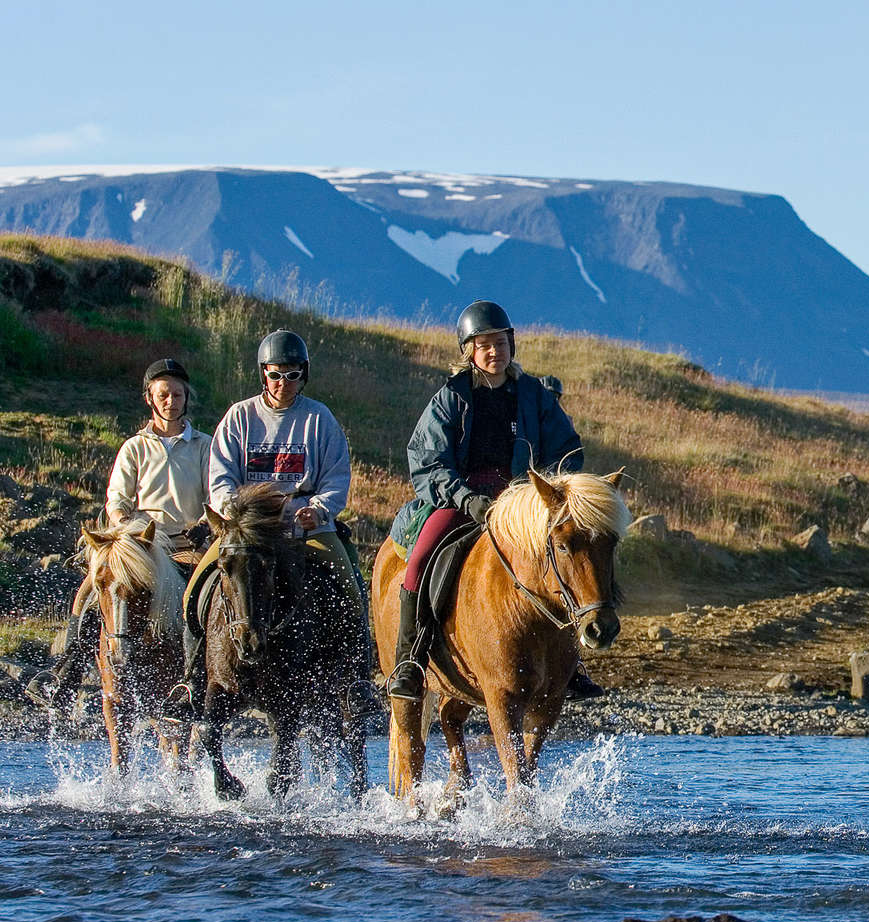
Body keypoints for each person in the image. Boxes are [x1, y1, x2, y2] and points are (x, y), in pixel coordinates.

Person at [385, 300, 596, 702]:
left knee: (566, 556)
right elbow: (427, 461)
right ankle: (409, 660)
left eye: (500, 343)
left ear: (511, 345)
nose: (494, 352)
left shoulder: (534, 395)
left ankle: (571, 664)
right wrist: (467, 499)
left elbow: (568, 450)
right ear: (469, 351)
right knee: (421, 557)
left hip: (522, 504)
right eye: (484, 345)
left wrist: (542, 493)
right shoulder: (451, 397)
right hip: (461, 500)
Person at [165, 330, 374, 717]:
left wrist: (320, 509)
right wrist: (237, 512)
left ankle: (357, 680)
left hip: (303, 526)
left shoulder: (319, 419)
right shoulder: (239, 417)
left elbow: (336, 477)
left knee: (350, 585)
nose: (283, 384)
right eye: (276, 375)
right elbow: (221, 476)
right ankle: (189, 682)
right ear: (264, 374)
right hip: (248, 530)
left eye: (292, 375)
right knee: (196, 587)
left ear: (303, 375)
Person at [26, 359, 212, 709]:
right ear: (150, 399)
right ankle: (64, 673)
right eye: (163, 395)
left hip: (187, 544)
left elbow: (214, 494)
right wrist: (123, 525)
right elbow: (117, 498)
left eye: (177, 394)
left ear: (187, 398)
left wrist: (203, 525)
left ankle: (198, 680)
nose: (170, 401)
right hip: (140, 546)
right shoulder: (134, 447)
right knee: (88, 593)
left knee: (209, 599)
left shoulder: (205, 445)